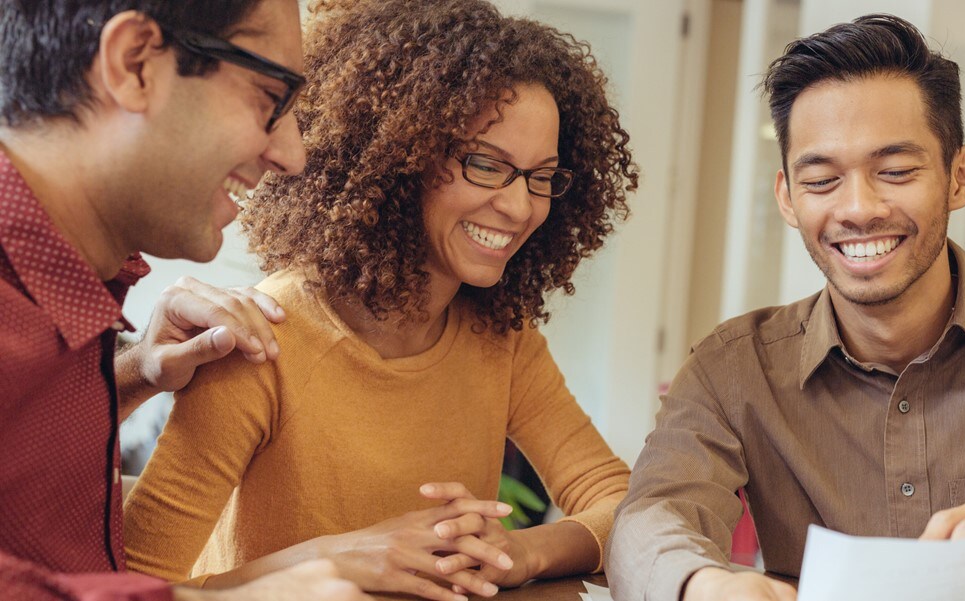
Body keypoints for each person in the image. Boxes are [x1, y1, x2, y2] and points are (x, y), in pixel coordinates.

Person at [607, 13, 965, 601]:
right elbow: (651, 517)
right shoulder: (732, 369)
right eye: (821, 181)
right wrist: (702, 584)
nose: (859, 208)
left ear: (960, 176)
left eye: (894, 171)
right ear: (787, 197)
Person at [122, 1, 636, 600]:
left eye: (541, 176)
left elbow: (619, 502)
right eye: (486, 166)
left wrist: (517, 552)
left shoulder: (503, 340)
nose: (521, 208)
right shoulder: (261, 340)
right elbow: (129, 587)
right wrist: (326, 565)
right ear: (399, 158)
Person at [0, 1, 372, 600]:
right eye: (269, 97)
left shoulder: (65, 286)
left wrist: (131, 374)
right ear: (136, 64)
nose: (292, 155)